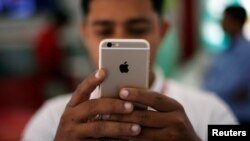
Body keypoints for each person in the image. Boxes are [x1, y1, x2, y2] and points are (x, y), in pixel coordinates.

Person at [22, 0, 237, 141]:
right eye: (104, 30)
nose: (120, 40)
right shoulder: (51, 119)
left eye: (138, 29)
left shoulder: (213, 112)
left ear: (162, 32)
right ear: (85, 34)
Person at [203, 5, 250, 125]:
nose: (221, 23)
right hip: (221, 115)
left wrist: (212, 89)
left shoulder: (246, 51)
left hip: (241, 118)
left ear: (236, 22)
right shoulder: (224, 52)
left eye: (225, 19)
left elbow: (236, 89)